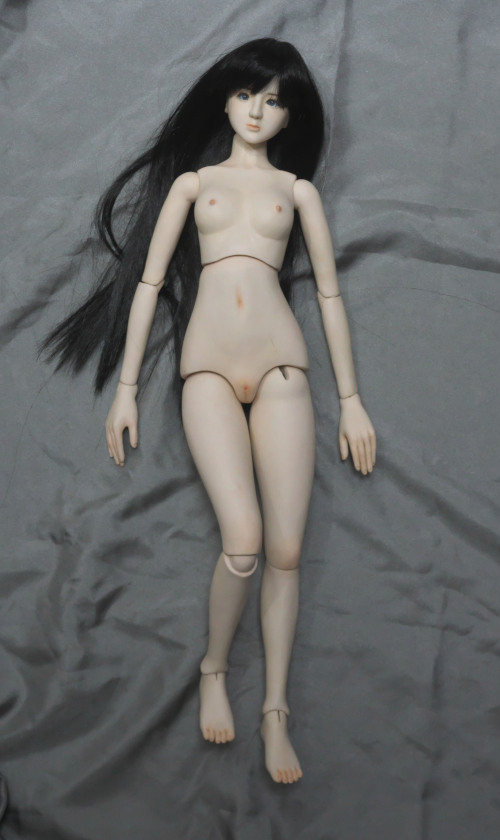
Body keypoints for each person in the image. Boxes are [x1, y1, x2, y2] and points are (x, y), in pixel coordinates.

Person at [44, 38, 376, 784]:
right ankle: (214, 669)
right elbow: (147, 284)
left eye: (275, 100)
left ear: (290, 115)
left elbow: (329, 295)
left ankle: (276, 712)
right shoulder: (194, 186)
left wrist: (352, 401)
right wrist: (127, 387)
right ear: (224, 99)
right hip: (209, 370)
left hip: (283, 367)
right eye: (247, 94)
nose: (257, 111)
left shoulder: (298, 193)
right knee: (245, 539)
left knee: (285, 551)